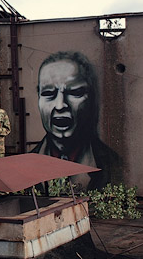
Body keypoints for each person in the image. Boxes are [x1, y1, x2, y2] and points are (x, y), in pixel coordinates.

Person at [32, 51, 120, 191]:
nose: (60, 105)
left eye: (75, 92)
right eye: (48, 93)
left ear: (91, 99)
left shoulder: (113, 165)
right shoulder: (27, 165)